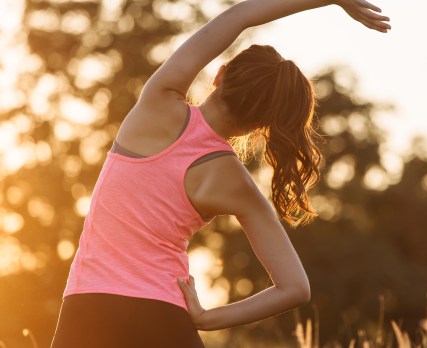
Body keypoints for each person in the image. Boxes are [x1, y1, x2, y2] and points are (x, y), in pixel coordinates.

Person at [50, 0, 390, 347]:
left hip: (88, 308)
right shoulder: (235, 182)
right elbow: (295, 288)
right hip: (164, 318)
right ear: (261, 125)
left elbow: (240, 15)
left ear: (221, 73)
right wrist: (207, 318)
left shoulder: (158, 103)